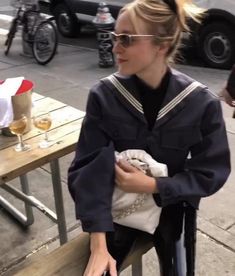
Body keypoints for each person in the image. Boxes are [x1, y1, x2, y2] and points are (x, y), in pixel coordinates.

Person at [68, 0, 231, 275]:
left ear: (162, 45)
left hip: (171, 207)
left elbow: (211, 171)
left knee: (178, 268)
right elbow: (88, 168)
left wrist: (153, 185)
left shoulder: (200, 103)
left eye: (127, 38)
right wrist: (97, 243)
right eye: (114, 36)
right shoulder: (104, 96)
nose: (115, 46)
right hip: (116, 212)